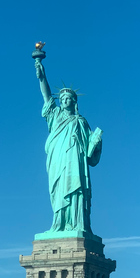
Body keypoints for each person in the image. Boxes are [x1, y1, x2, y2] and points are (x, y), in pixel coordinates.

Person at [34, 58, 103, 235]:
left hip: (75, 162)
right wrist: (42, 77)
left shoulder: (81, 121)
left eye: (68, 98)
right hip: (58, 160)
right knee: (59, 192)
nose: (64, 100)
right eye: (62, 98)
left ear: (74, 102)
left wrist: (96, 142)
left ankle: (78, 224)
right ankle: (59, 224)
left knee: (76, 189)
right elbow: (46, 96)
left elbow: (90, 153)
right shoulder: (55, 115)